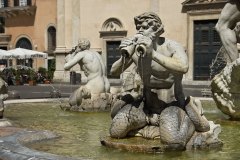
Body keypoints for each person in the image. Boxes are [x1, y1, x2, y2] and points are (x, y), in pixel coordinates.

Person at [111, 12, 188, 108]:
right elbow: (114, 72)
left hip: (172, 100)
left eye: (144, 27)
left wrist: (152, 53)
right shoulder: (136, 49)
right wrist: (124, 56)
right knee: (118, 112)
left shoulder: (171, 46)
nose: (140, 31)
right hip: (147, 101)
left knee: (169, 121)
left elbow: (184, 67)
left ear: (157, 29)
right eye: (138, 28)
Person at [64, 39, 110, 107]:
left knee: (72, 101)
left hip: (95, 85)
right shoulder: (97, 53)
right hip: (106, 84)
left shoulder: (82, 54)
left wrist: (74, 53)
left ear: (79, 46)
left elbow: (66, 66)